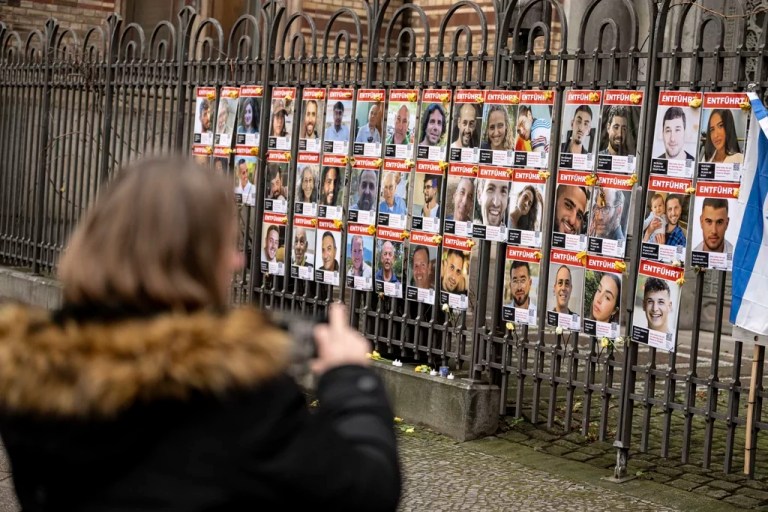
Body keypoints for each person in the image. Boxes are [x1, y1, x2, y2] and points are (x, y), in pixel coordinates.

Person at [0, 157, 400, 510]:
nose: (239, 260)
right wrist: (351, 380)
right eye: (224, 244)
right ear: (189, 258)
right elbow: (364, 490)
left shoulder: (33, 375)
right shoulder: (235, 396)